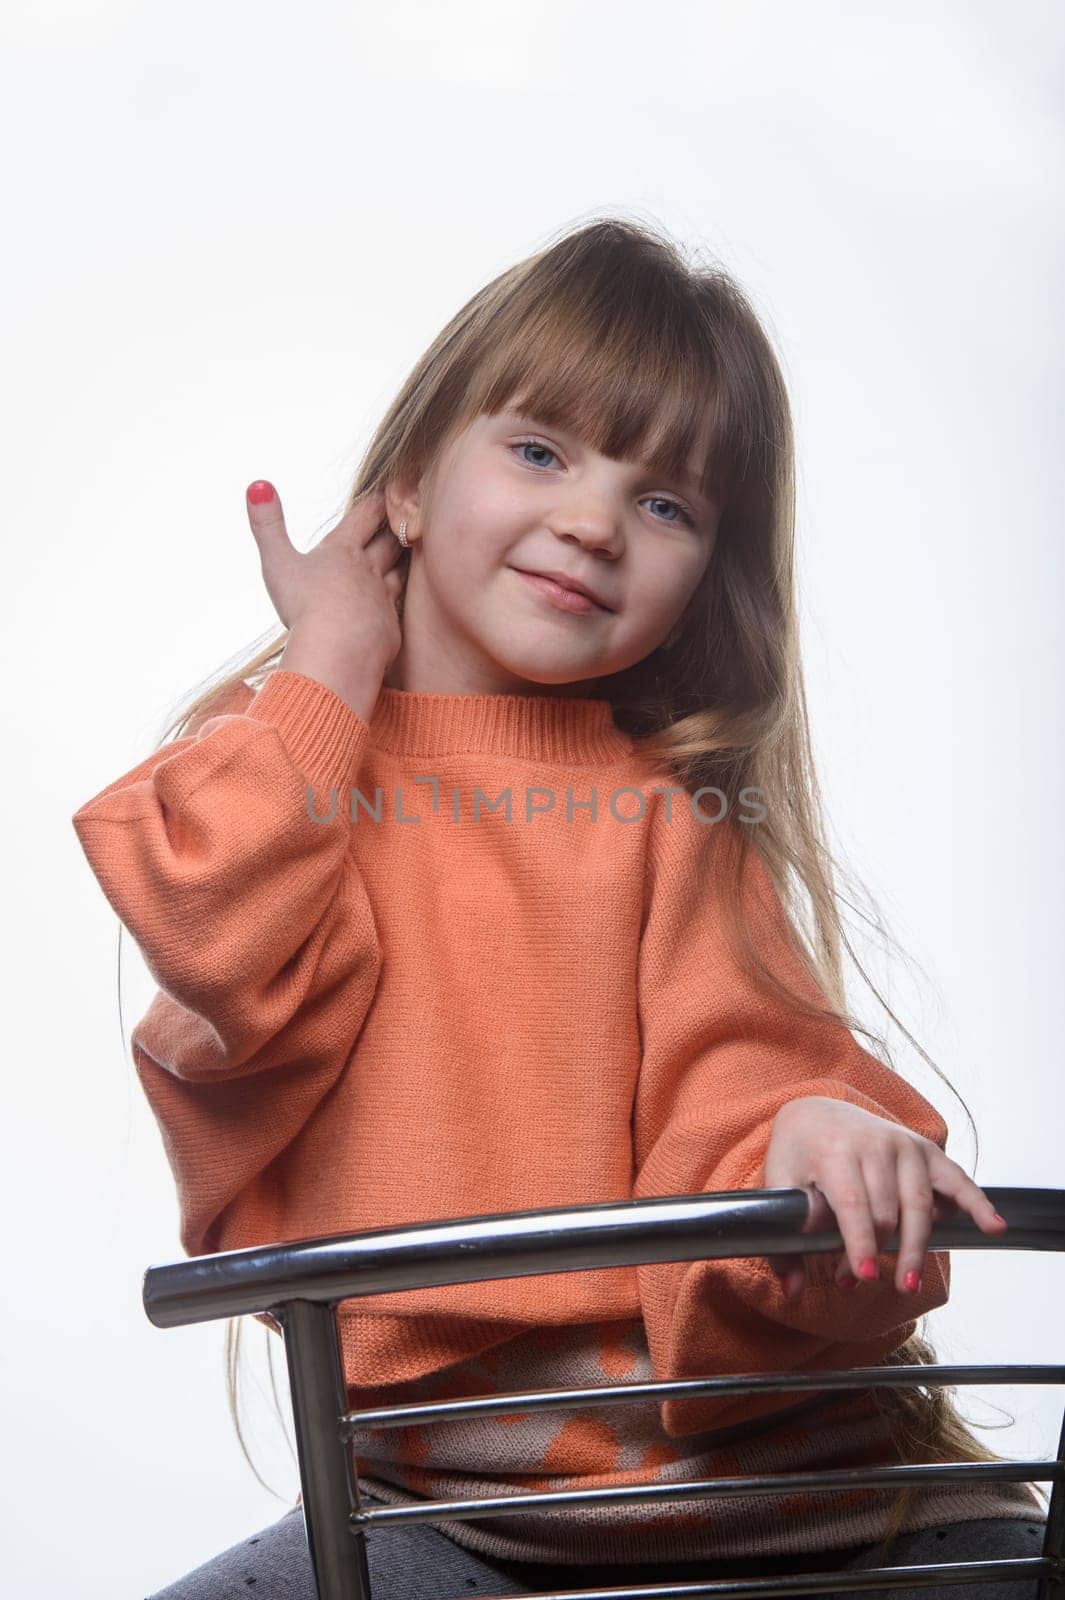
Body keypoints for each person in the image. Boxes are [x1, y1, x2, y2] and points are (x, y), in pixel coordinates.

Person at [71, 218, 1048, 1599]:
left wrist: (809, 1131)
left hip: (822, 1509)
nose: (592, 520)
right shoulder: (286, 784)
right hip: (455, 1520)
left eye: (668, 504)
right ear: (406, 482)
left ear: (703, 577)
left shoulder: (667, 815)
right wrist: (330, 669)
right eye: (541, 450)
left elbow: (740, 1073)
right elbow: (214, 937)